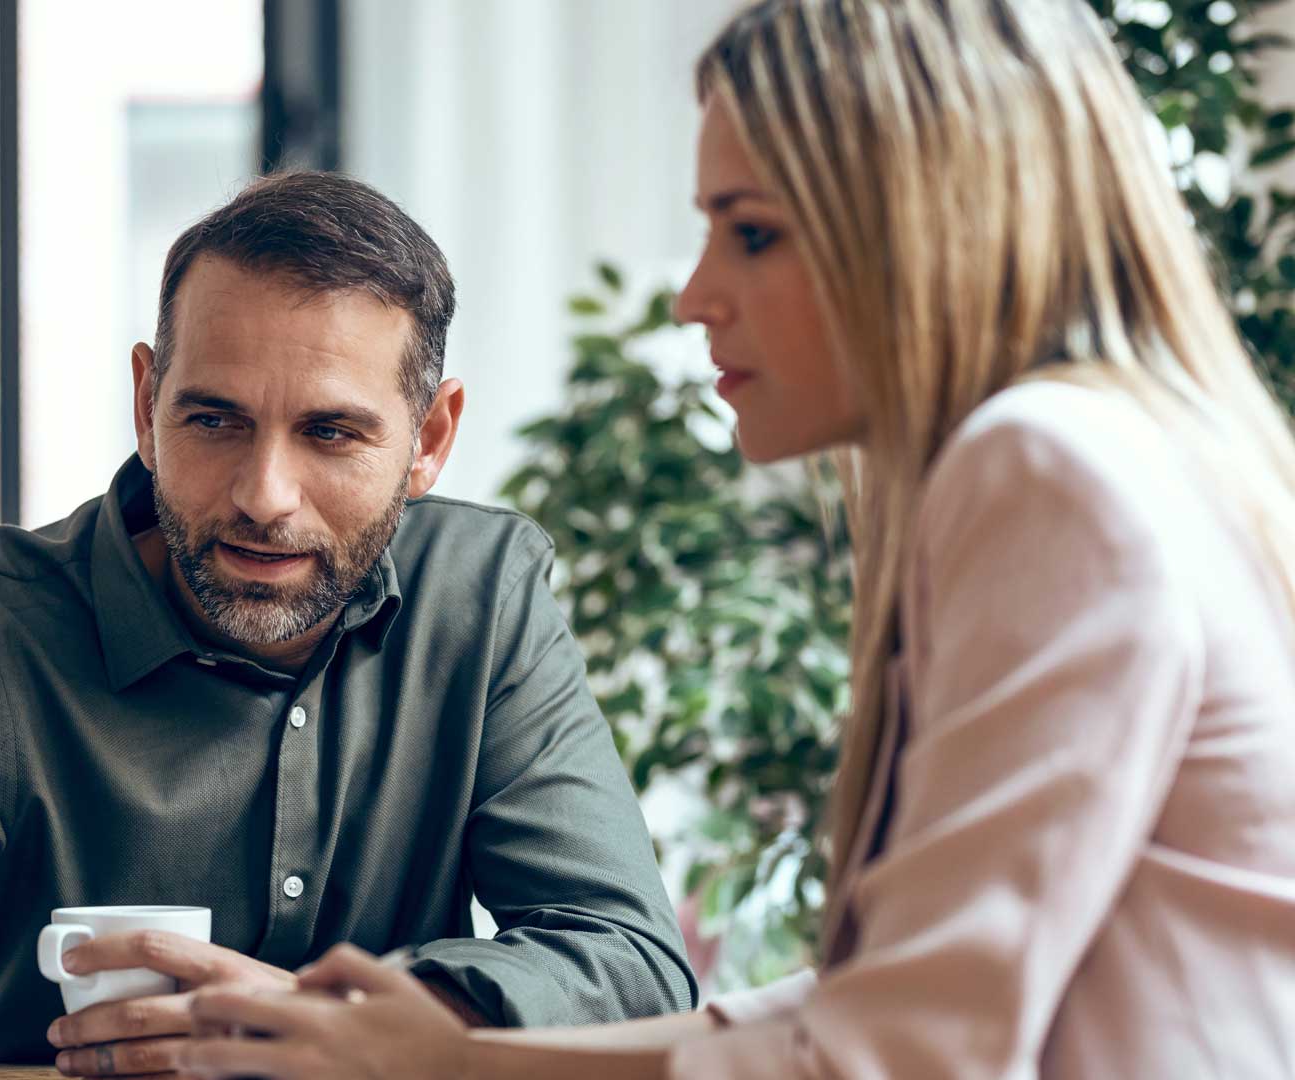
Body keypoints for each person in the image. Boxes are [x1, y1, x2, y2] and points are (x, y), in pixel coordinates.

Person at [175, 2, 1295, 1077]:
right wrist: (447, 1058)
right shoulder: (1127, 448)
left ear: (921, 226)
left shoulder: (1048, 469)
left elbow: (894, 1060)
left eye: (752, 232)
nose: (695, 296)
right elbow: (878, 1007)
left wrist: (454, 1065)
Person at [0, 170, 697, 1080]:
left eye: (330, 432)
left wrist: (358, 1026)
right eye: (214, 421)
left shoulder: (483, 597)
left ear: (429, 440)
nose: (264, 496)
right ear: (147, 407)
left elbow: (631, 960)